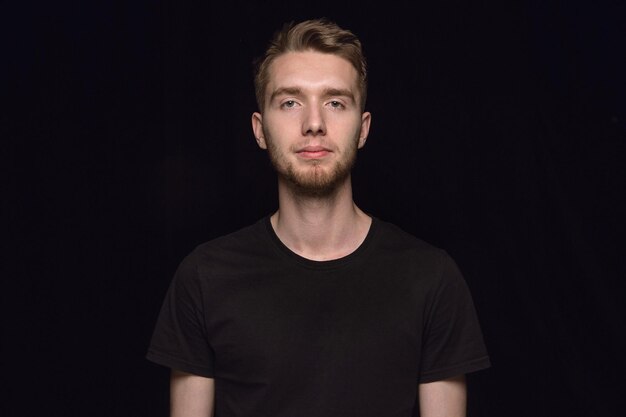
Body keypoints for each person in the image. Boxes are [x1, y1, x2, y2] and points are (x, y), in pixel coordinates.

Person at [147, 18, 490, 417]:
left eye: (335, 102)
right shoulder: (204, 277)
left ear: (363, 129)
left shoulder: (431, 278)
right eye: (290, 102)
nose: (314, 124)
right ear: (260, 129)